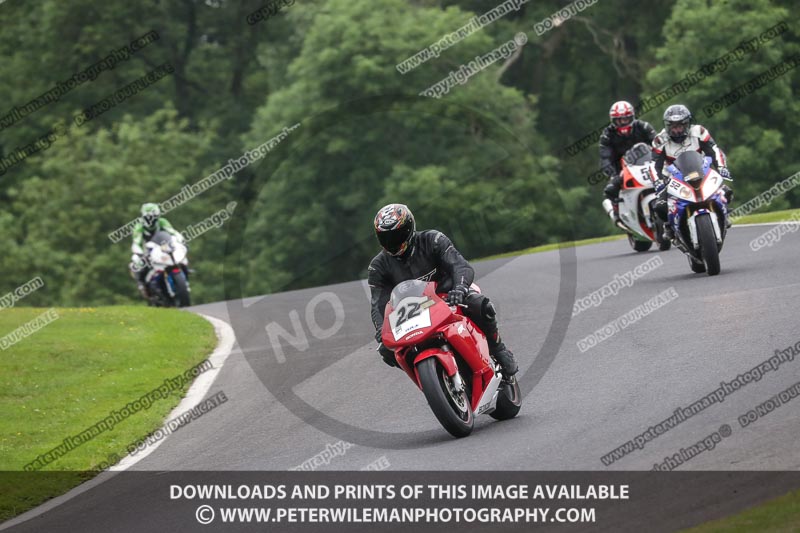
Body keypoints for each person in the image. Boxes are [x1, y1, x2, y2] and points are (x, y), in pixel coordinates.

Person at [367, 203, 518, 376]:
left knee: (480, 304)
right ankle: (426, 376)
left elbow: (460, 265)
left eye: (396, 235)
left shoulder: (433, 239)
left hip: (449, 294)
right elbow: (378, 302)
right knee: (386, 350)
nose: (391, 242)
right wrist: (381, 328)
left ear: (409, 228)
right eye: (385, 238)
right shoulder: (378, 266)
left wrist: (460, 288)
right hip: (414, 310)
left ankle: (499, 349)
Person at [652, 104, 733, 239]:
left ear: (687, 124)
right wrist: (658, 181)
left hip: (701, 171)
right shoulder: (660, 140)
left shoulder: (699, 132)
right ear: (667, 126)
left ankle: (724, 213)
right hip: (673, 177)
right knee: (660, 206)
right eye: (672, 126)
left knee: (726, 191)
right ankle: (668, 226)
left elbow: (714, 150)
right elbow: (654, 164)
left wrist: (721, 167)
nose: (676, 130)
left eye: (680, 125)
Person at [600, 101, 658, 223]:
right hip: (621, 169)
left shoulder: (643, 127)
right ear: (613, 120)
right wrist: (612, 174)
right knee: (610, 190)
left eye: (626, 119)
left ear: (632, 117)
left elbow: (658, 143)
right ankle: (617, 212)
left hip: (648, 164)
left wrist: (661, 159)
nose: (623, 122)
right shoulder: (607, 135)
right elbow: (605, 157)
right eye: (619, 120)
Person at [129, 203, 184, 299]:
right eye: (149, 217)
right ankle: (142, 285)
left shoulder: (162, 222)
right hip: (148, 251)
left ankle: (185, 273)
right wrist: (139, 253)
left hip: (164, 248)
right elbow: (136, 242)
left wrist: (180, 240)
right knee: (136, 262)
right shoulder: (139, 226)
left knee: (180, 257)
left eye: (154, 217)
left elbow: (172, 232)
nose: (151, 219)